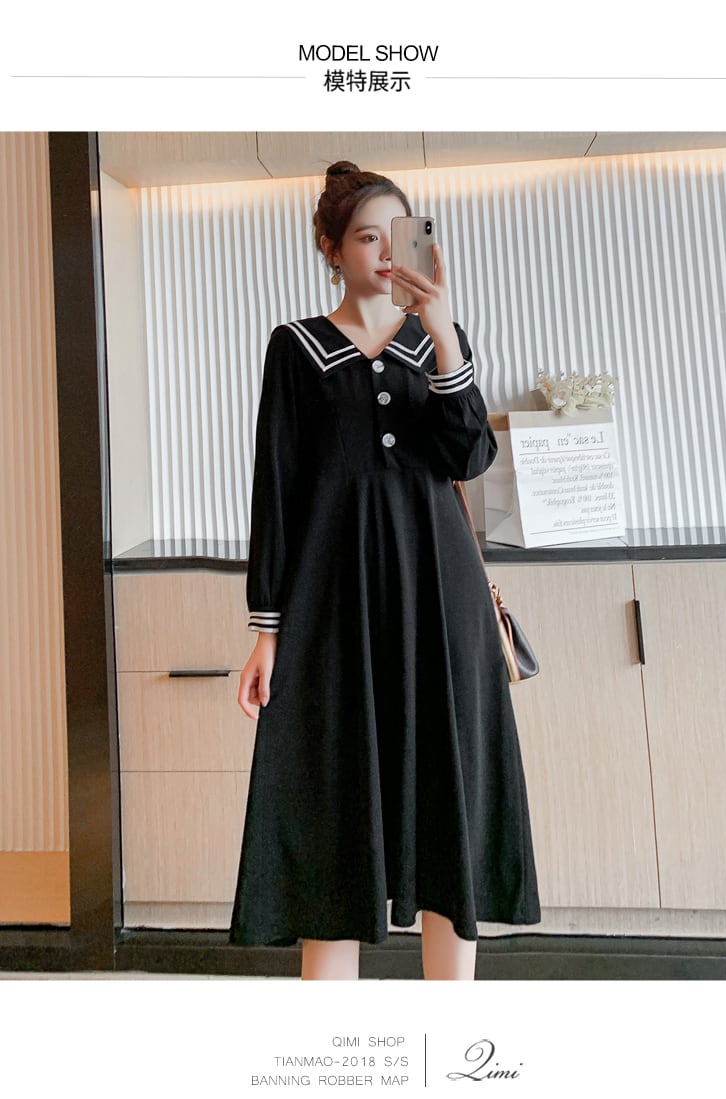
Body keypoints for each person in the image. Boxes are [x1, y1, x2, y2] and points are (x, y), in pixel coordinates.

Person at [229, 161, 541, 979]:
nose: (386, 252)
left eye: (399, 234)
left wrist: (441, 331)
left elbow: (468, 457)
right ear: (332, 249)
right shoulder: (295, 347)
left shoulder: (440, 338)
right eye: (367, 236)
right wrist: (266, 629)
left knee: (448, 806)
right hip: (335, 607)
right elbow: (276, 490)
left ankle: (449, 1035)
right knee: (333, 810)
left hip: (442, 600)